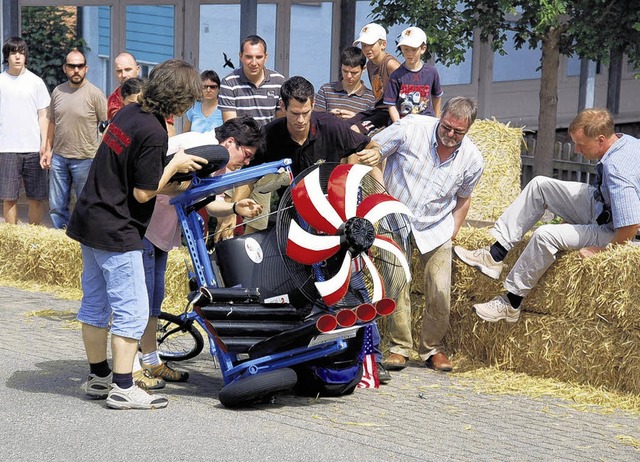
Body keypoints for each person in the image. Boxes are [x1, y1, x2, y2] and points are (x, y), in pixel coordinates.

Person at [66, 59, 206, 410]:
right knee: (132, 309)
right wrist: (173, 166)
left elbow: (129, 173)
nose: (190, 104)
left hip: (90, 218)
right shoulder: (155, 130)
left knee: (95, 306)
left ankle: (99, 377)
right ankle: (124, 387)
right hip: (118, 227)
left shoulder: (128, 113)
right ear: (177, 97)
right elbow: (144, 193)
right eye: (188, 99)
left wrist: (171, 179)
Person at [454, 108, 640, 323]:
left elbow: (630, 225)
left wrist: (604, 250)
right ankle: (495, 254)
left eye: (581, 145)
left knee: (545, 234)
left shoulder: (617, 169)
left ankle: (511, 303)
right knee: (540, 184)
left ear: (600, 139)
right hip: (602, 206)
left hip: (616, 231)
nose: (577, 150)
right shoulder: (626, 142)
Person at [140, 116, 264, 387]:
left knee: (154, 298)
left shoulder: (218, 161)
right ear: (231, 142)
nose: (246, 162)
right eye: (246, 154)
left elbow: (210, 203)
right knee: (144, 297)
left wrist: (235, 208)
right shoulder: (197, 144)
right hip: (144, 225)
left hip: (161, 229)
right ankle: (139, 368)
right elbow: (150, 176)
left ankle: (150, 361)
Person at [375, 97, 484, 372]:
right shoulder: (410, 128)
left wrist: (454, 230)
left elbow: (464, 198)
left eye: (458, 132)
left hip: (435, 226)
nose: (450, 135)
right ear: (441, 117)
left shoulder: (473, 159)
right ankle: (399, 347)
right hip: (395, 216)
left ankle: (432, 348)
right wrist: (379, 193)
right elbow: (373, 150)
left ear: (468, 130)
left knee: (439, 290)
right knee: (396, 282)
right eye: (446, 127)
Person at [42, 50, 108, 229]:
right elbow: (52, 122)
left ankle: (82, 239)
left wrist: (100, 153)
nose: (76, 70)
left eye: (80, 66)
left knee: (85, 204)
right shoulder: (58, 92)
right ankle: (60, 237)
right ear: (65, 68)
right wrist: (48, 149)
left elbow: (106, 125)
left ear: (86, 69)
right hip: (59, 158)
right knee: (56, 206)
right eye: (72, 66)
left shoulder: (95, 94)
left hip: (86, 159)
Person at [0, 37, 50, 225]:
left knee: (36, 198)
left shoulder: (36, 82)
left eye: (21, 52)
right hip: (6, 148)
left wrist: (44, 145)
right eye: (14, 52)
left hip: (33, 148)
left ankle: (33, 238)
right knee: (9, 197)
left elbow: (43, 115)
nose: (18, 57)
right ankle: (13, 239)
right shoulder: (1, 82)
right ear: (7, 56)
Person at [218, 35, 286, 126]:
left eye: (259, 57)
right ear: (240, 56)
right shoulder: (229, 83)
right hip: (240, 139)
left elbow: (280, 124)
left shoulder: (279, 82)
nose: (254, 63)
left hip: (270, 139)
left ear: (265, 57)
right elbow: (230, 126)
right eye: (249, 57)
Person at [384, 26, 443, 123]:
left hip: (426, 120)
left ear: (423, 49)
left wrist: (437, 120)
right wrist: (398, 124)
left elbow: (436, 96)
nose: (409, 53)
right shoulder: (396, 75)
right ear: (401, 49)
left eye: (414, 49)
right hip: (404, 121)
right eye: (406, 49)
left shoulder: (432, 72)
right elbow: (391, 104)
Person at [350, 23, 401, 135]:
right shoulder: (370, 65)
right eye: (363, 45)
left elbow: (405, 93)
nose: (367, 49)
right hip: (378, 109)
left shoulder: (391, 65)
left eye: (371, 45)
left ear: (383, 44)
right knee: (346, 124)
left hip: (390, 112)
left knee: (356, 129)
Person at [314, 47, 376, 121]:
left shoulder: (371, 98)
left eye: (354, 73)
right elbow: (315, 120)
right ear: (341, 67)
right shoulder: (326, 90)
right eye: (345, 71)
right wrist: (329, 116)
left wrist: (356, 119)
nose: (349, 76)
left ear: (363, 69)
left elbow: (374, 128)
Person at [107, 52, 140, 120]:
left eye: (128, 70)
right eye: (119, 71)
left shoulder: (150, 93)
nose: (123, 75)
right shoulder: (114, 100)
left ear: (137, 70)